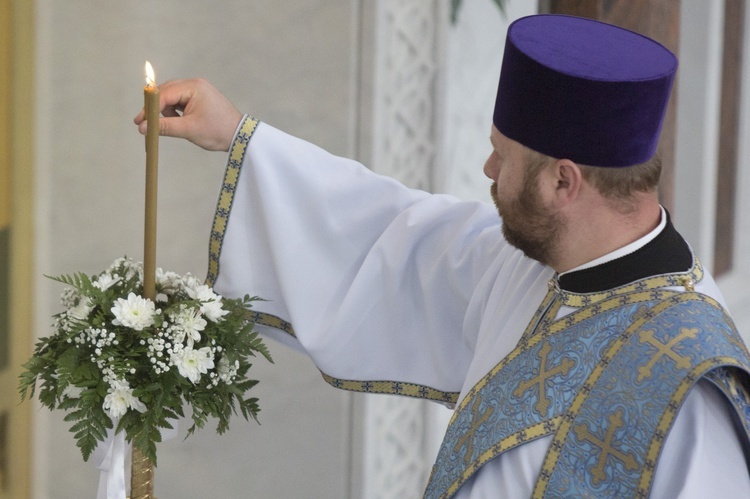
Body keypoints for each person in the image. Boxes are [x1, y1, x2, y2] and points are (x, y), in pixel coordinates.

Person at [135, 14, 750, 498]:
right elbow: (393, 236)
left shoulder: (689, 387)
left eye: (502, 156)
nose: (487, 170)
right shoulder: (538, 265)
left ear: (564, 183)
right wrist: (241, 135)